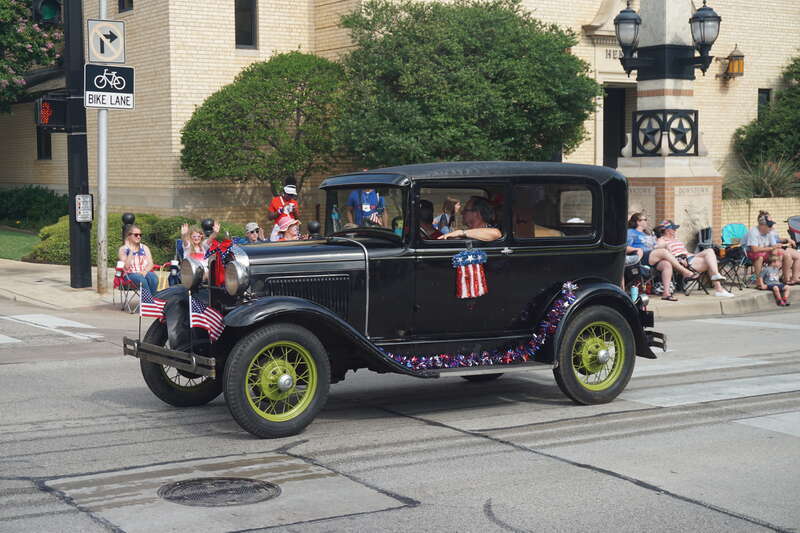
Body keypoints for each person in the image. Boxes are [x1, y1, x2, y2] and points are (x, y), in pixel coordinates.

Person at [626, 213, 698, 301]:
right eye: (644, 219)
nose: (646, 221)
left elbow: (654, 246)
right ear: (638, 222)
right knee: (663, 252)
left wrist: (662, 245)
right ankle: (684, 271)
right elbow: (625, 247)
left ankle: (666, 293)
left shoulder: (647, 233)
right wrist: (636, 249)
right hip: (641, 257)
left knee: (666, 264)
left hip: (652, 256)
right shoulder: (630, 232)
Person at [655, 220, 734, 298]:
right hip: (683, 261)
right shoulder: (662, 240)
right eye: (674, 229)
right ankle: (719, 288)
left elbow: (684, 251)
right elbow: (659, 249)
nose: (676, 230)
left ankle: (717, 279)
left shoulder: (675, 239)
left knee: (710, 251)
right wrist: (666, 246)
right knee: (710, 262)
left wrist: (693, 255)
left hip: (689, 256)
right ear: (668, 230)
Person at [744, 214, 786, 284]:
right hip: (748, 253)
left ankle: (773, 276)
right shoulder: (753, 232)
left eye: (771, 225)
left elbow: (773, 246)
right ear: (762, 225)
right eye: (769, 226)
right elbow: (754, 249)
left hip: (763, 251)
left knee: (779, 253)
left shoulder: (769, 232)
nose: (771, 228)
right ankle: (759, 281)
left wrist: (775, 250)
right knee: (759, 257)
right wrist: (771, 248)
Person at [761, 211, 800, 284]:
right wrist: (782, 245)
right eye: (769, 219)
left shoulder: (771, 228)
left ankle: (795, 277)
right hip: (771, 249)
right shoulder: (763, 230)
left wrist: (787, 239)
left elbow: (777, 239)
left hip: (779, 247)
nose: (771, 220)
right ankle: (786, 278)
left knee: (798, 255)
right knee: (787, 255)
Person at [118, 225, 158, 294]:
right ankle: (148, 302)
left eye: (140, 235)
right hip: (130, 275)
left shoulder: (145, 247)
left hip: (143, 272)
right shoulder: (123, 249)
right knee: (141, 280)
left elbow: (150, 263)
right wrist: (131, 251)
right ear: (129, 236)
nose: (139, 237)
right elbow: (126, 267)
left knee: (153, 278)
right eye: (136, 235)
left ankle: (151, 300)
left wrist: (144, 271)